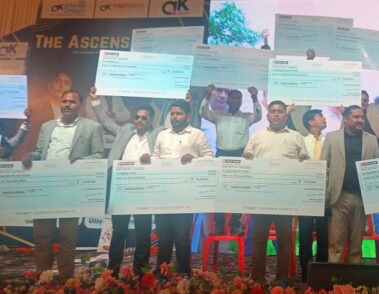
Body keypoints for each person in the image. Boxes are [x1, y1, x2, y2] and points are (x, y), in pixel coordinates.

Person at [22, 90, 104, 279]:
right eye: (64, 101)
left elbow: (99, 155)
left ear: (80, 105)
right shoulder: (47, 126)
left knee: (68, 238)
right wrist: (30, 156)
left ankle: (66, 279)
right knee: (42, 237)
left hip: (71, 189)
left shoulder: (92, 127)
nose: (67, 105)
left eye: (72, 102)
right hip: (45, 188)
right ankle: (43, 278)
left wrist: (83, 160)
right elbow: (40, 152)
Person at [89, 87, 164, 277]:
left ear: (151, 120)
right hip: (120, 188)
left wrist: (153, 158)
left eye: (144, 118)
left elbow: (173, 129)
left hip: (144, 190)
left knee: (143, 232)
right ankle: (113, 270)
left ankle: (141, 272)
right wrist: (96, 101)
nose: (139, 121)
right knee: (119, 231)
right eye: (137, 117)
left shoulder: (158, 134)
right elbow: (105, 121)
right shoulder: (125, 130)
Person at [142, 99, 213, 276]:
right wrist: (148, 159)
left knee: (181, 237)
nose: (175, 117)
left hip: (185, 194)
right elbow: (156, 157)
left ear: (188, 115)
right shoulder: (162, 135)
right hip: (163, 193)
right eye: (172, 113)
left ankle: (184, 274)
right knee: (163, 237)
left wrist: (194, 160)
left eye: (179, 113)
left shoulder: (197, 134)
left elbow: (209, 159)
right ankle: (162, 273)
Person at [243, 100, 308, 283]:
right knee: (259, 239)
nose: (277, 114)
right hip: (261, 195)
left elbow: (304, 160)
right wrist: (247, 156)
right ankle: (257, 278)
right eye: (273, 111)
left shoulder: (296, 136)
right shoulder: (257, 135)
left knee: (285, 240)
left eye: (280, 111)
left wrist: (304, 159)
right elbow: (247, 157)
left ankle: (282, 279)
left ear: (286, 114)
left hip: (285, 197)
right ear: (268, 115)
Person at [201, 83, 262, 235]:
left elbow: (258, 116)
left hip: (240, 155)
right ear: (228, 100)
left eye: (238, 98)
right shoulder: (219, 115)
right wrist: (207, 96)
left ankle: (235, 223)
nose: (235, 100)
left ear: (241, 101)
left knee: (238, 191)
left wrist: (254, 97)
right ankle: (219, 225)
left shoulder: (246, 117)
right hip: (221, 154)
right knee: (219, 191)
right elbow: (203, 112)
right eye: (232, 98)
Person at [322, 106, 379, 263]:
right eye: (356, 117)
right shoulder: (331, 138)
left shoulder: (371, 139)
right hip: (339, 197)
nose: (360, 120)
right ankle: (334, 277)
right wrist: (325, 196)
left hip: (361, 198)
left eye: (362, 117)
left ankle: (354, 278)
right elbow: (324, 167)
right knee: (336, 245)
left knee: (356, 247)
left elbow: (376, 168)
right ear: (346, 119)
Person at [298, 109, 329, 282]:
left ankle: (321, 275)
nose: (324, 118)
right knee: (305, 236)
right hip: (306, 194)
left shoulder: (330, 141)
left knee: (324, 237)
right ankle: (306, 275)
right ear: (311, 122)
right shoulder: (301, 141)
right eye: (320, 116)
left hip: (326, 194)